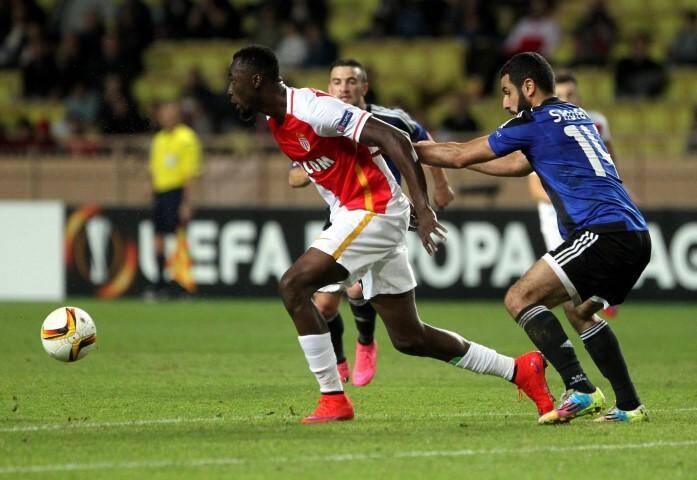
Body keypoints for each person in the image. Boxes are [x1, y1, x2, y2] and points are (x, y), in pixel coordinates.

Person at [228, 45, 553, 424]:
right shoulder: (276, 120)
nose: (229, 90)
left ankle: (333, 398)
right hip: (364, 212)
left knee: (293, 286)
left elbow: (394, 139)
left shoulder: (314, 109)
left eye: (233, 81)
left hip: (372, 210)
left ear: (256, 80)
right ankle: (521, 370)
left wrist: (422, 205)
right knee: (409, 337)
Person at [416, 52, 651, 424]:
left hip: (602, 231)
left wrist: (405, 149)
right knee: (579, 310)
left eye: (507, 92)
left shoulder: (534, 120)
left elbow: (459, 154)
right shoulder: (578, 117)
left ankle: (581, 389)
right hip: (634, 233)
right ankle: (628, 405)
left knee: (520, 297)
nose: (505, 102)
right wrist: (453, 158)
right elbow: (513, 164)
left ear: (529, 87)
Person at [288, 58, 455, 387]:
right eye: (336, 81)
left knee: (355, 287)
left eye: (351, 81)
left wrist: (441, 184)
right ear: (329, 85)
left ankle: (365, 343)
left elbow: (424, 143)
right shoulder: (319, 119)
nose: (343, 87)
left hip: (382, 213)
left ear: (364, 87)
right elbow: (295, 175)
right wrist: (310, 166)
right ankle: (339, 359)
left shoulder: (390, 119)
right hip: (343, 214)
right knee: (322, 304)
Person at [529, 71, 619, 318]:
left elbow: (610, 159)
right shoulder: (543, 128)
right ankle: (595, 302)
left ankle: (592, 307)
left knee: (577, 272)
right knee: (567, 273)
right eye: (562, 95)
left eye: (572, 94)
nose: (569, 99)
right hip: (555, 214)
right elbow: (535, 188)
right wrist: (568, 198)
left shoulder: (596, 122)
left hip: (589, 208)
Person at [148, 101, 202, 298]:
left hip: (178, 192)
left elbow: (191, 174)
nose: (167, 118)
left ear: (177, 116)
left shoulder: (186, 138)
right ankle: (160, 281)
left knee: (179, 238)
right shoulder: (158, 140)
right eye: (164, 114)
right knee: (158, 237)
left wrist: (187, 202)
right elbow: (154, 170)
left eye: (171, 114)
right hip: (161, 194)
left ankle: (181, 282)